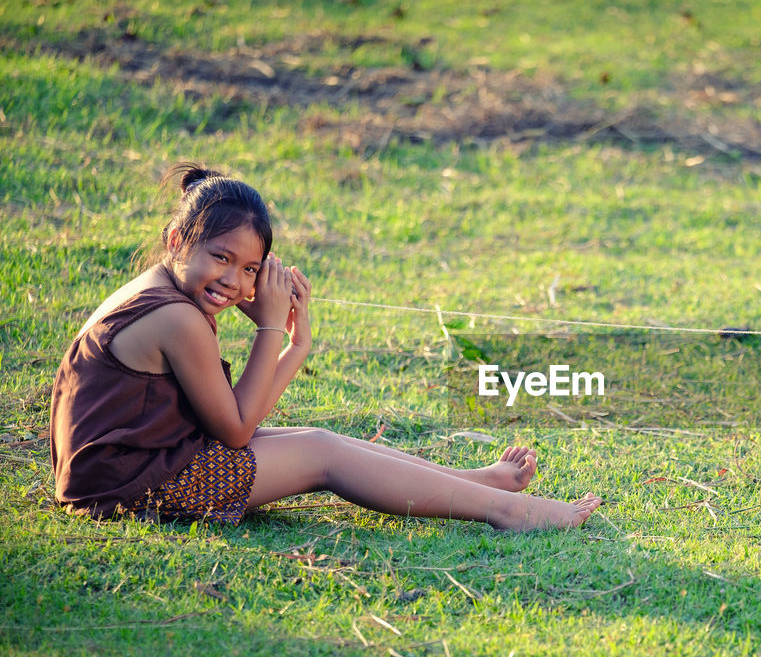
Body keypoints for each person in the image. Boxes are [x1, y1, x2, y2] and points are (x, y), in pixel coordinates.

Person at [50, 163, 600, 531]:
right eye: (220, 257)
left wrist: (296, 342)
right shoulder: (176, 318)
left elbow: (234, 421)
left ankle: (477, 483)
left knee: (318, 439)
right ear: (177, 240)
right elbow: (236, 431)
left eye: (249, 269)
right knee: (322, 455)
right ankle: (504, 508)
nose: (234, 283)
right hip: (130, 488)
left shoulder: (164, 289)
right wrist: (269, 329)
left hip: (133, 468)